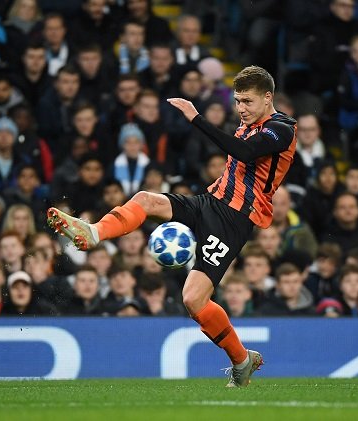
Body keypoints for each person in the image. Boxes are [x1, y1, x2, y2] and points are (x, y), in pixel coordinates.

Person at [46, 66, 295, 387]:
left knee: (193, 300)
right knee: (146, 199)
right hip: (210, 202)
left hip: (233, 220)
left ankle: (242, 361)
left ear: (268, 98)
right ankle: (93, 232)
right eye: (237, 101)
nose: (241, 108)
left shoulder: (282, 129)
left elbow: (245, 153)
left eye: (247, 101)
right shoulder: (249, 123)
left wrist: (196, 118)